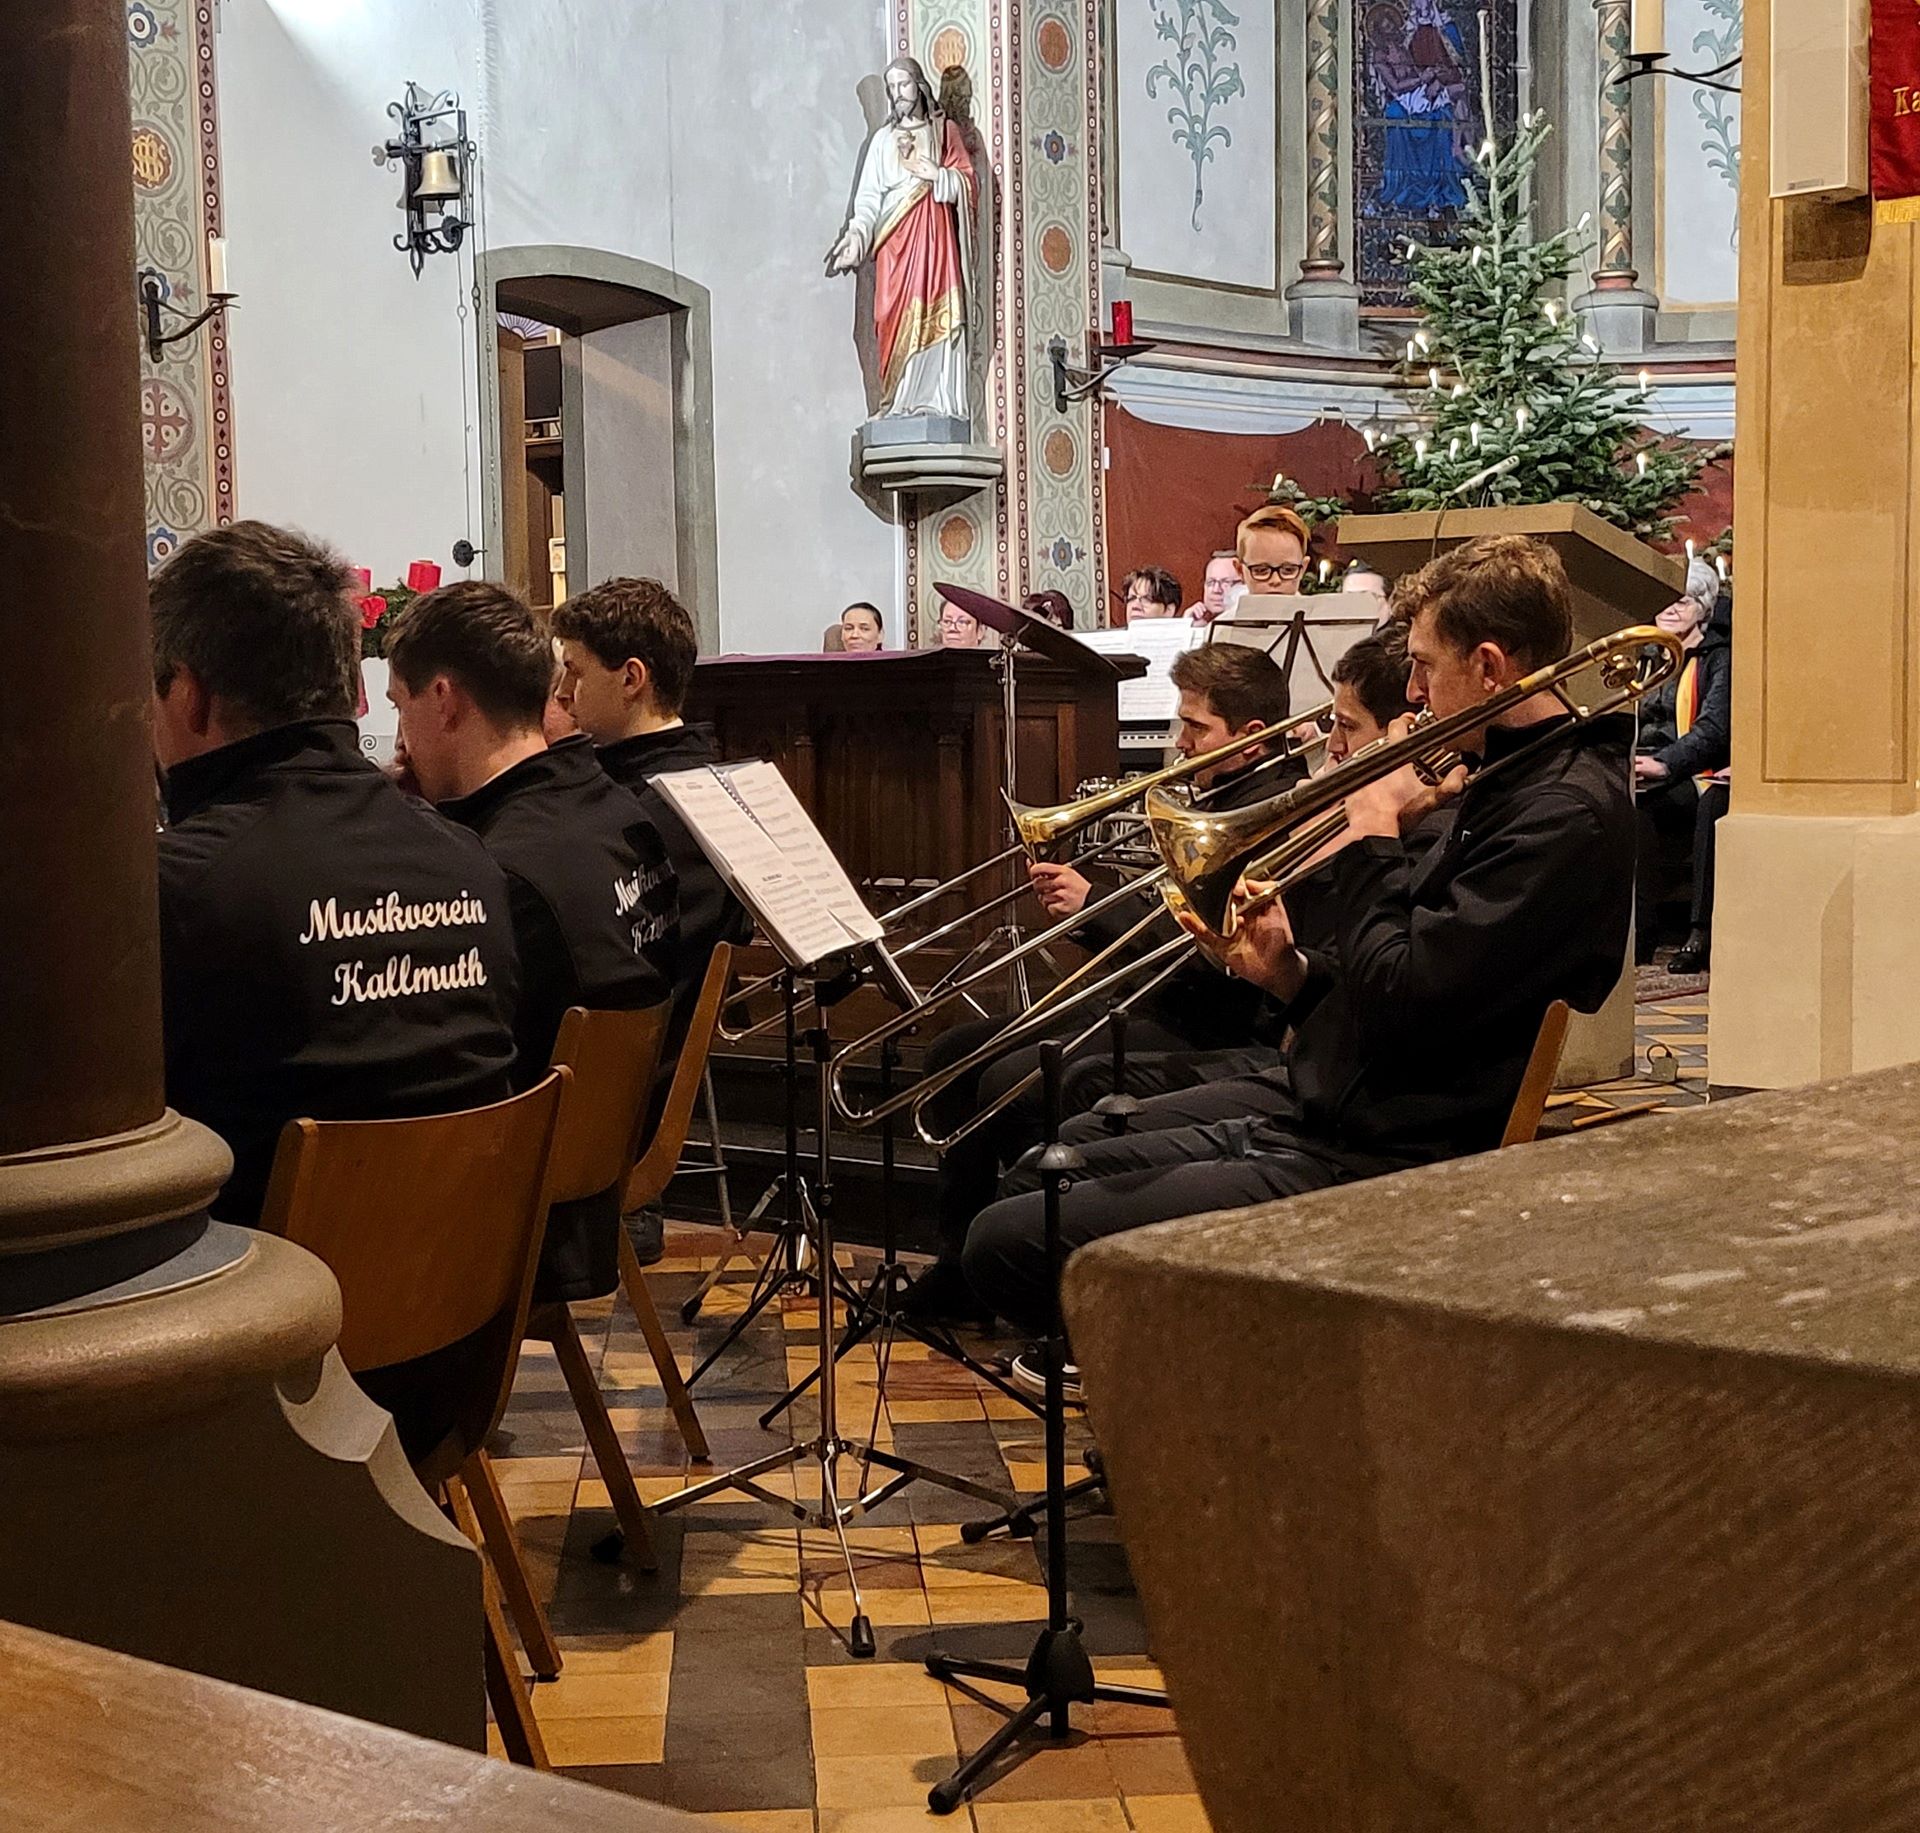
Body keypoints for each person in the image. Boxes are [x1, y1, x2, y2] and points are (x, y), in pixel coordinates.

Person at [963, 534, 1636, 1344]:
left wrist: (1374, 833)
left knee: (1008, 1238)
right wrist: (1290, 975)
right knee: (1050, 1163)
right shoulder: (1507, 777)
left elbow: (1406, 990)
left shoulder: (1561, 813)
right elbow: (1403, 991)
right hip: (1338, 1103)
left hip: (1385, 1156)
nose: (1414, 692)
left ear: (1490, 667)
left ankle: (1202, 1411)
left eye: (1425, 666)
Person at [152, 521, 521, 1456]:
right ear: (351, 687)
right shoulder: (468, 860)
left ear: (187, 694)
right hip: (453, 1361)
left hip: (265, 1386)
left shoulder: (179, 887)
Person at [902, 643, 1296, 1323]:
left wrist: (1095, 906)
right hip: (1162, 998)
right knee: (950, 1055)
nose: (1180, 742)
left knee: (1010, 1079)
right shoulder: (1214, 796)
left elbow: (1207, 951)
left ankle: (1037, 1274)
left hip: (1213, 1019)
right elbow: (1167, 916)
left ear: (1252, 739)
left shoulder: (1267, 812)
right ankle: (958, 1264)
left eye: (1197, 727)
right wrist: (1096, 907)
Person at [387, 581, 682, 1303]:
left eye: (400, 706)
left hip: (522, 1211)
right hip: (607, 1158)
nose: (399, 739)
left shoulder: (493, 872)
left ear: (446, 701)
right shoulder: (613, 807)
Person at [553, 576, 754, 1263]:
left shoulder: (654, 806)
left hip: (617, 1102)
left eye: (574, 673)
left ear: (631, 677)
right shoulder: (663, 781)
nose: (563, 693)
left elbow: (613, 965)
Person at [826, 56, 976, 422]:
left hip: (934, 241)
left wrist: (938, 175)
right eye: (891, 88)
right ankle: (897, 401)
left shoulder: (943, 134)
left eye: (903, 85)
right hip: (894, 249)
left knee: (935, 316)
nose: (897, 94)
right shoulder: (882, 142)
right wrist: (855, 238)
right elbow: (867, 200)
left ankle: (934, 402)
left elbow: (968, 182)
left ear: (919, 85)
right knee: (888, 318)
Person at [1634, 573, 1731, 973]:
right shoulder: (1645, 658)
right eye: (1667, 599)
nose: (1673, 608)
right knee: (1626, 803)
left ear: (1704, 609)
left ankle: (1699, 933)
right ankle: (1634, 938)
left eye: (1685, 601)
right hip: (1644, 766)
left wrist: (1665, 764)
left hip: (1692, 771)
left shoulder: (1717, 657)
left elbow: (1713, 730)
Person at [1234, 504, 1312, 600]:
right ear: (1240, 570)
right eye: (1261, 570)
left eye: (1288, 570)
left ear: (1303, 569)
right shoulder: (1230, 616)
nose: (1275, 580)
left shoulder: (1321, 615)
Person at [1185, 552, 1242, 626]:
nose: (1216, 590)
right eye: (1211, 582)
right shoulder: (1195, 622)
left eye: (1226, 582)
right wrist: (1188, 626)